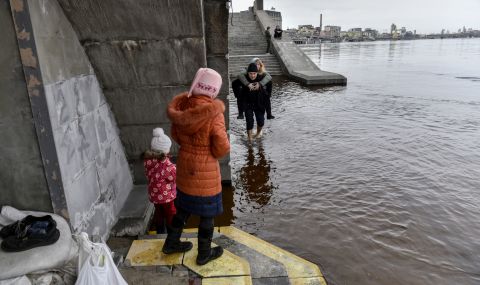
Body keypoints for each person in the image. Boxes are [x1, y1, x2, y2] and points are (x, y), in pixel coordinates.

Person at [164, 68, 230, 266]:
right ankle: (204, 254)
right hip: (205, 168)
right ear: (213, 90)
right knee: (207, 212)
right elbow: (221, 147)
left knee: (183, 207)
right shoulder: (213, 113)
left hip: (185, 164)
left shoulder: (182, 106)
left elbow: (175, 134)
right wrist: (212, 152)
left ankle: (171, 243)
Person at [143, 128, 177, 234]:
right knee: (170, 212)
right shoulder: (168, 165)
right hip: (166, 196)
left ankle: (160, 231)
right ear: (165, 150)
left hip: (154, 194)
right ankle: (172, 232)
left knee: (159, 212)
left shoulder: (148, 160)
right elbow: (173, 178)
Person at [240, 63, 269, 141]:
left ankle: (257, 133)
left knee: (261, 122)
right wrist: (247, 84)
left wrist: (260, 84)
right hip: (248, 104)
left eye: (254, 73)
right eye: (250, 73)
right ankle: (249, 138)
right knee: (249, 121)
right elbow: (238, 77)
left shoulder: (261, 78)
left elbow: (269, 78)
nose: (252, 75)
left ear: (257, 73)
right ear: (248, 73)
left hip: (259, 103)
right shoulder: (244, 79)